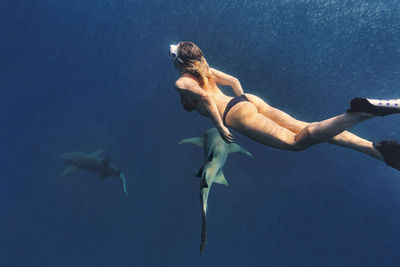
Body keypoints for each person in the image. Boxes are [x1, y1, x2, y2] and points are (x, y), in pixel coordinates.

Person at [170, 41, 400, 170]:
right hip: (246, 101)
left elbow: (208, 100)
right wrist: (243, 101)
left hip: (234, 114)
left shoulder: (182, 82)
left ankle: (361, 114)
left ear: (179, 62)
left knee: (296, 142)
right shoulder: (205, 70)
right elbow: (234, 82)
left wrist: (221, 127)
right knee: (307, 127)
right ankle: (378, 151)